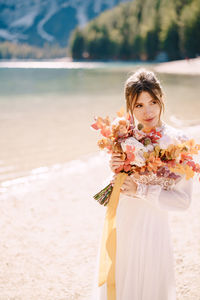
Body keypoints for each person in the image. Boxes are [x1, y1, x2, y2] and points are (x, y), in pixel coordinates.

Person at [91, 68, 193, 300]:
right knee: (120, 282)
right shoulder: (125, 138)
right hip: (124, 223)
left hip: (153, 227)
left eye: (153, 102)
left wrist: (142, 189)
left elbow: (183, 202)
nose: (147, 111)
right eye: (138, 105)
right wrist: (115, 169)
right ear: (129, 107)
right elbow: (115, 189)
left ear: (162, 99)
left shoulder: (179, 142)